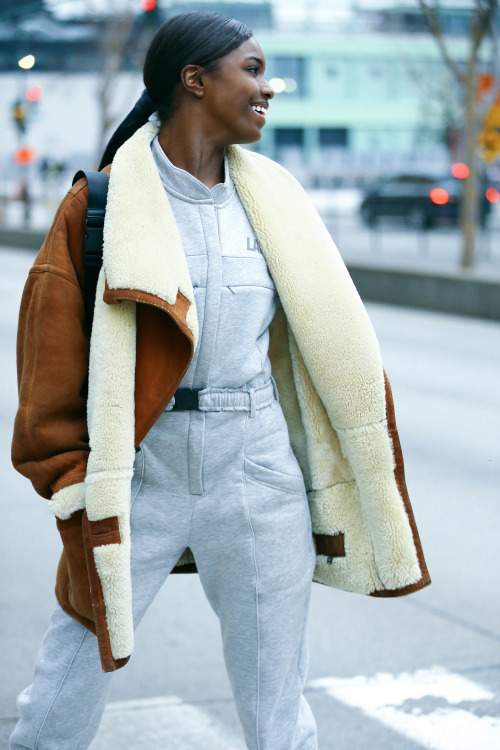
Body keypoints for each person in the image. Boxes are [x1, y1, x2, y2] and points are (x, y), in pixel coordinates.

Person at [9, 10, 431, 750]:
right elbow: (48, 363)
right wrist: (73, 484)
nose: (268, 89)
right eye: (254, 70)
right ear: (194, 80)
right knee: (62, 693)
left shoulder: (278, 202)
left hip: (258, 470)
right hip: (137, 471)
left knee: (278, 709)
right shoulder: (99, 205)